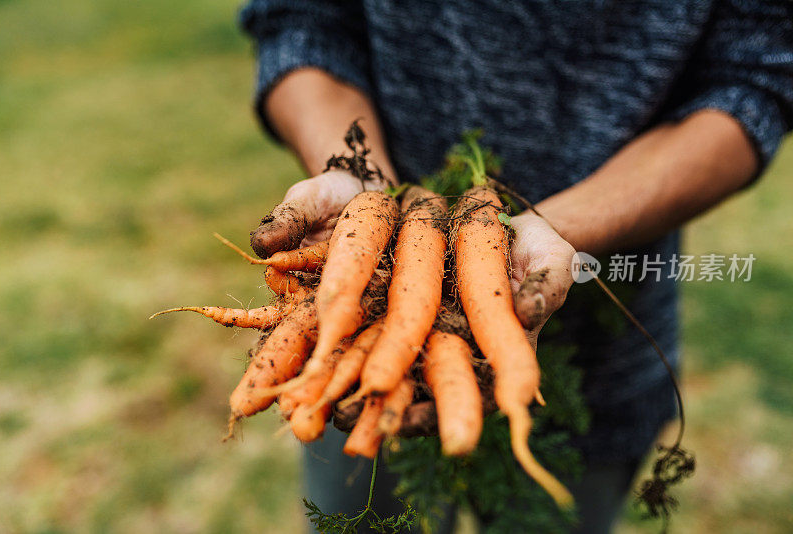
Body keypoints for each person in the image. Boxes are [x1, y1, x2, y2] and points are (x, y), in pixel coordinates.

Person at [237, 1, 793, 532]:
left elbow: (755, 80)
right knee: (355, 433)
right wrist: (362, 185)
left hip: (602, 366)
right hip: (354, 370)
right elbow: (302, 20)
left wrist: (564, 230)